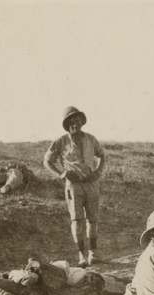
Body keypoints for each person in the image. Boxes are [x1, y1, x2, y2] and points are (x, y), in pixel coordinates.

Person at [44, 106, 106, 267]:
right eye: (71, 121)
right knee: (77, 220)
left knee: (93, 220)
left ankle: (93, 254)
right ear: (67, 124)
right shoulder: (61, 141)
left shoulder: (91, 139)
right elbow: (47, 161)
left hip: (91, 184)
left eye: (77, 121)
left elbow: (101, 155)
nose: (75, 124)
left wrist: (98, 171)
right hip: (74, 186)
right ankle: (81, 256)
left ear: (81, 122)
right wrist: (61, 174)